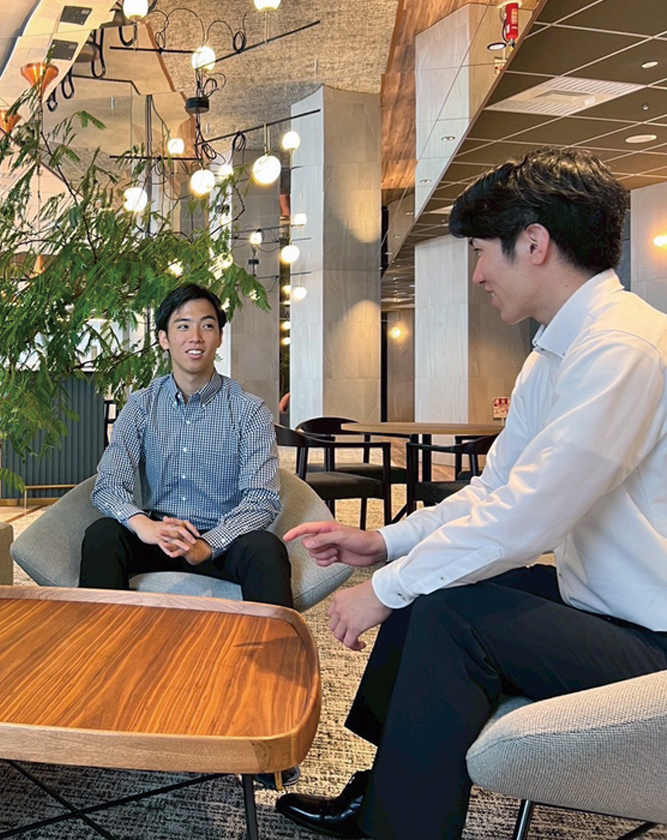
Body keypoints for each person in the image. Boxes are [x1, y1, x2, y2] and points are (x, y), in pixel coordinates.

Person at [275, 147, 667, 839]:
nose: (479, 274)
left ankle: (396, 821)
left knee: (449, 613)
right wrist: (385, 543)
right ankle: (389, 791)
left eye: (483, 252)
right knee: (441, 587)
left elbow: (526, 519)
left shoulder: (623, 348)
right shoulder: (555, 352)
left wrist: (384, 588)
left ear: (534, 243)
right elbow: (495, 490)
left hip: (652, 637)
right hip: (604, 606)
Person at [80, 282, 292, 607]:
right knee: (102, 536)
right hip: (157, 535)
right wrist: (144, 526)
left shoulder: (249, 411)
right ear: (164, 339)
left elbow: (262, 499)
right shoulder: (141, 406)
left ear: (219, 336)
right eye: (183, 326)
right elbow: (108, 485)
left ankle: (274, 642)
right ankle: (99, 639)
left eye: (207, 326)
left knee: (265, 549)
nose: (195, 337)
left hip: (221, 540)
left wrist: (208, 544)